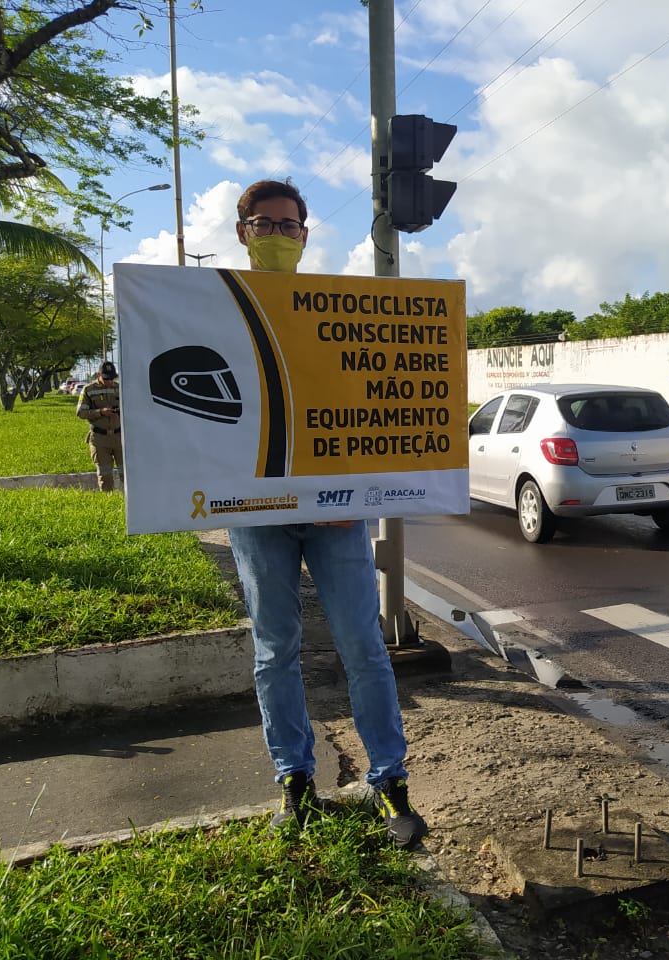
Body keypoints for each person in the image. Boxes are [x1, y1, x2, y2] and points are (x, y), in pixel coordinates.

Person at [228, 178, 427, 847]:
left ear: (306, 235)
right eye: (264, 224)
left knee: (363, 646)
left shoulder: (337, 309)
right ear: (242, 233)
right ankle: (293, 780)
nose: (278, 236)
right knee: (274, 650)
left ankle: (390, 780)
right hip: (256, 512)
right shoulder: (215, 309)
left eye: (289, 226)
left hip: (338, 513)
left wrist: (361, 495)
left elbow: (365, 408)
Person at [76, 361, 123, 492]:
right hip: (100, 438)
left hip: (120, 437)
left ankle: (128, 502)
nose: (109, 381)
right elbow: (80, 412)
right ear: (99, 375)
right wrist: (100, 412)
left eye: (112, 378)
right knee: (105, 474)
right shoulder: (89, 390)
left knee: (126, 473)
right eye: (106, 378)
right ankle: (108, 500)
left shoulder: (121, 388)